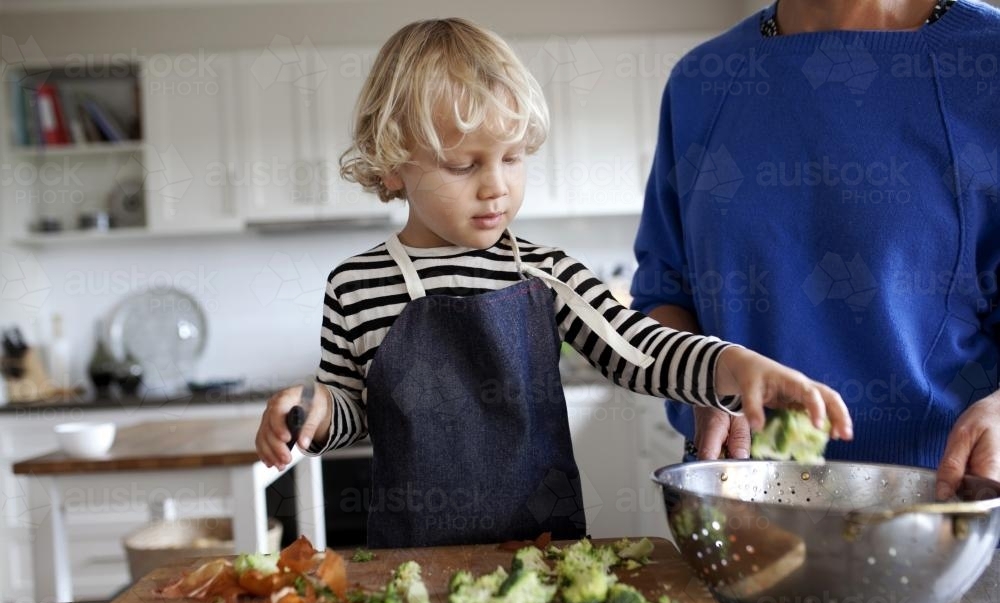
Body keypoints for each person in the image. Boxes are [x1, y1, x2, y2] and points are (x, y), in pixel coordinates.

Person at [255, 18, 852, 549]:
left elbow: (640, 353)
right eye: (465, 165)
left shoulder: (545, 273)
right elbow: (351, 411)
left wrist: (735, 365)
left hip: (548, 555)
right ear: (392, 165)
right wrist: (310, 410)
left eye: (513, 158)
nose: (497, 186)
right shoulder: (356, 285)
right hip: (413, 560)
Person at [630, 0, 1000, 501]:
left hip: (946, 511)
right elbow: (661, 295)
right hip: (738, 509)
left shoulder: (987, 61)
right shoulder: (701, 80)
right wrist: (702, 378)